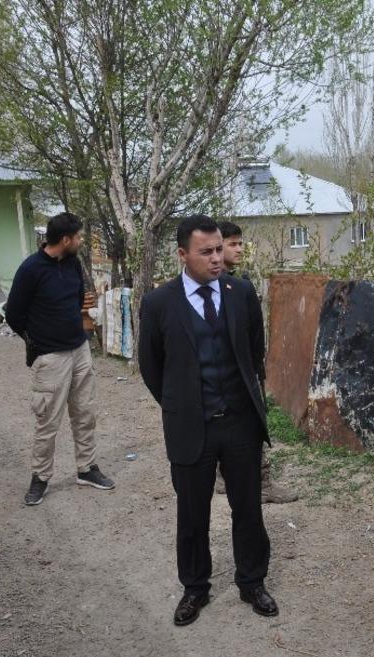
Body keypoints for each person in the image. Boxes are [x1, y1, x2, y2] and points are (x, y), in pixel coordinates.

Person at [138, 214, 277, 627]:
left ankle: (252, 581)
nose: (217, 259)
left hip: (239, 422)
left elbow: (255, 352)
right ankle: (195, 588)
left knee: (248, 508)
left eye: (220, 249)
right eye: (207, 252)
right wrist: (179, 404)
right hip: (190, 425)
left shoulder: (241, 292)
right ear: (183, 255)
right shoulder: (160, 303)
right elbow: (151, 366)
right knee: (193, 512)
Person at [5, 212, 114, 507]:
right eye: (78, 237)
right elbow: (13, 313)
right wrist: (35, 341)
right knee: (47, 422)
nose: (80, 241)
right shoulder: (30, 269)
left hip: (79, 351)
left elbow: (77, 299)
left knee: (85, 413)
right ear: (65, 240)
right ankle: (40, 478)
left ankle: (87, 469)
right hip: (50, 358)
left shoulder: (73, 263)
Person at [214, 220, 298, 505]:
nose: (239, 249)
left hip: (246, 370)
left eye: (240, 243)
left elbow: (254, 334)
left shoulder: (240, 283)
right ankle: (259, 483)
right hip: (232, 374)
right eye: (233, 244)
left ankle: (239, 477)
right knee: (250, 425)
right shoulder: (218, 285)